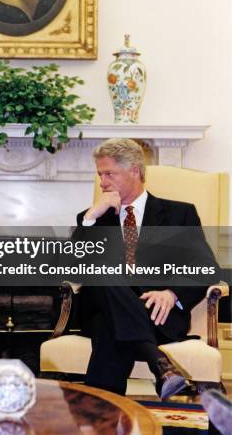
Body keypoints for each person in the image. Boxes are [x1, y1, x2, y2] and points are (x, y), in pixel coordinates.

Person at [75, 138, 219, 399]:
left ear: (134, 171)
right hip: (103, 305)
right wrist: (89, 219)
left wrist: (172, 293)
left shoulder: (179, 215)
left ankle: (100, 420)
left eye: (109, 174)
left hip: (157, 315)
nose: (102, 182)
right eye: (99, 174)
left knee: (109, 330)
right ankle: (159, 363)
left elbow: (206, 267)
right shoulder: (94, 217)